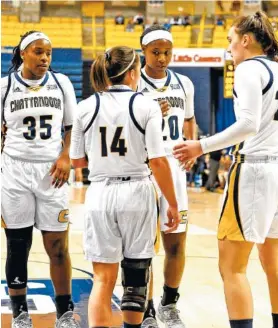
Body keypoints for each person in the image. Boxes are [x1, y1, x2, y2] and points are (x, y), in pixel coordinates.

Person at [173, 11, 278, 328]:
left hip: (256, 172)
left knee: (232, 267)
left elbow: (248, 124)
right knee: (276, 265)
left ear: (246, 40)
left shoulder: (248, 69)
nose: (230, 48)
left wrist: (200, 146)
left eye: (231, 40)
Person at [69, 46, 180, 328]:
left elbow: (77, 161)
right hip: (137, 193)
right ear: (133, 73)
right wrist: (173, 203)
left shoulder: (85, 107)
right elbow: (158, 161)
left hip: (100, 193)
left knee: (102, 281)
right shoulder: (147, 105)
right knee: (135, 280)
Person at [1, 31, 80, 328]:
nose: (45, 58)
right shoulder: (5, 86)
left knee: (58, 246)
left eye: (48, 53)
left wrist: (65, 156)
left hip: (52, 172)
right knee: (17, 244)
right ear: (23, 53)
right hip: (14, 171)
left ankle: (64, 312)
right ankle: (20, 312)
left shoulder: (61, 83)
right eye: (38, 52)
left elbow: (73, 127)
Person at [138, 25, 197, 328]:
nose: (162, 58)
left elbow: (190, 122)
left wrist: (193, 148)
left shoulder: (184, 83)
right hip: (144, 170)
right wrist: (149, 113)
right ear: (143, 52)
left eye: (166, 52)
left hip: (174, 168)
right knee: (144, 246)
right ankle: (146, 309)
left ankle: (169, 304)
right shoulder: (134, 83)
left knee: (176, 242)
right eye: (155, 52)